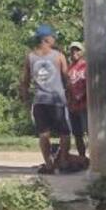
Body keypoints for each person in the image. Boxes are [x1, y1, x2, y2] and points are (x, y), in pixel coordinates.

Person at [20, 24, 70, 174]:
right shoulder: (59, 56)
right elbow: (67, 79)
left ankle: (49, 164)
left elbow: (25, 81)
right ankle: (63, 162)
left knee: (43, 133)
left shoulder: (30, 57)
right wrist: (71, 95)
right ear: (46, 39)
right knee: (65, 133)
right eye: (53, 37)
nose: (54, 39)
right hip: (57, 101)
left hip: (40, 101)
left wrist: (25, 98)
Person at [66, 42, 88, 159]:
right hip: (73, 106)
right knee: (77, 134)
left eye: (77, 50)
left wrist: (82, 95)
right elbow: (67, 86)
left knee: (89, 133)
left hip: (85, 105)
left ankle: (95, 159)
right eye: (72, 50)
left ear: (82, 52)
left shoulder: (86, 66)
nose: (74, 53)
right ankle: (82, 157)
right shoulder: (69, 68)